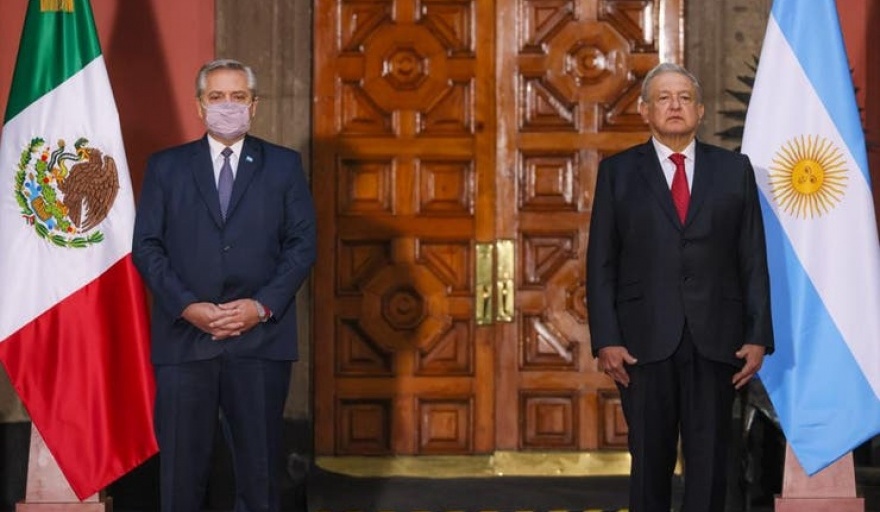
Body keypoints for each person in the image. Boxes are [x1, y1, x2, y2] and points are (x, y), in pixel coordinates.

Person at [586, 62, 774, 512]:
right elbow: (601, 263)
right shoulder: (618, 173)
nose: (675, 106)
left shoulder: (734, 170)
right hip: (642, 343)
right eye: (664, 98)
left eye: (685, 98)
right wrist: (606, 339)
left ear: (700, 110)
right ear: (644, 110)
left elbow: (752, 257)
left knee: (710, 466)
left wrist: (758, 336)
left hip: (717, 341)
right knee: (649, 463)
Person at [133, 58, 317, 512]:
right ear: (200, 105)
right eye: (216, 97)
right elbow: (147, 247)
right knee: (180, 477)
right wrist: (186, 306)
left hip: (260, 341)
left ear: (254, 106)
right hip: (185, 341)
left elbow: (302, 245)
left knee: (259, 476)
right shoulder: (167, 167)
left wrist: (262, 306)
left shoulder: (283, 166)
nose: (227, 106)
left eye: (238, 97)